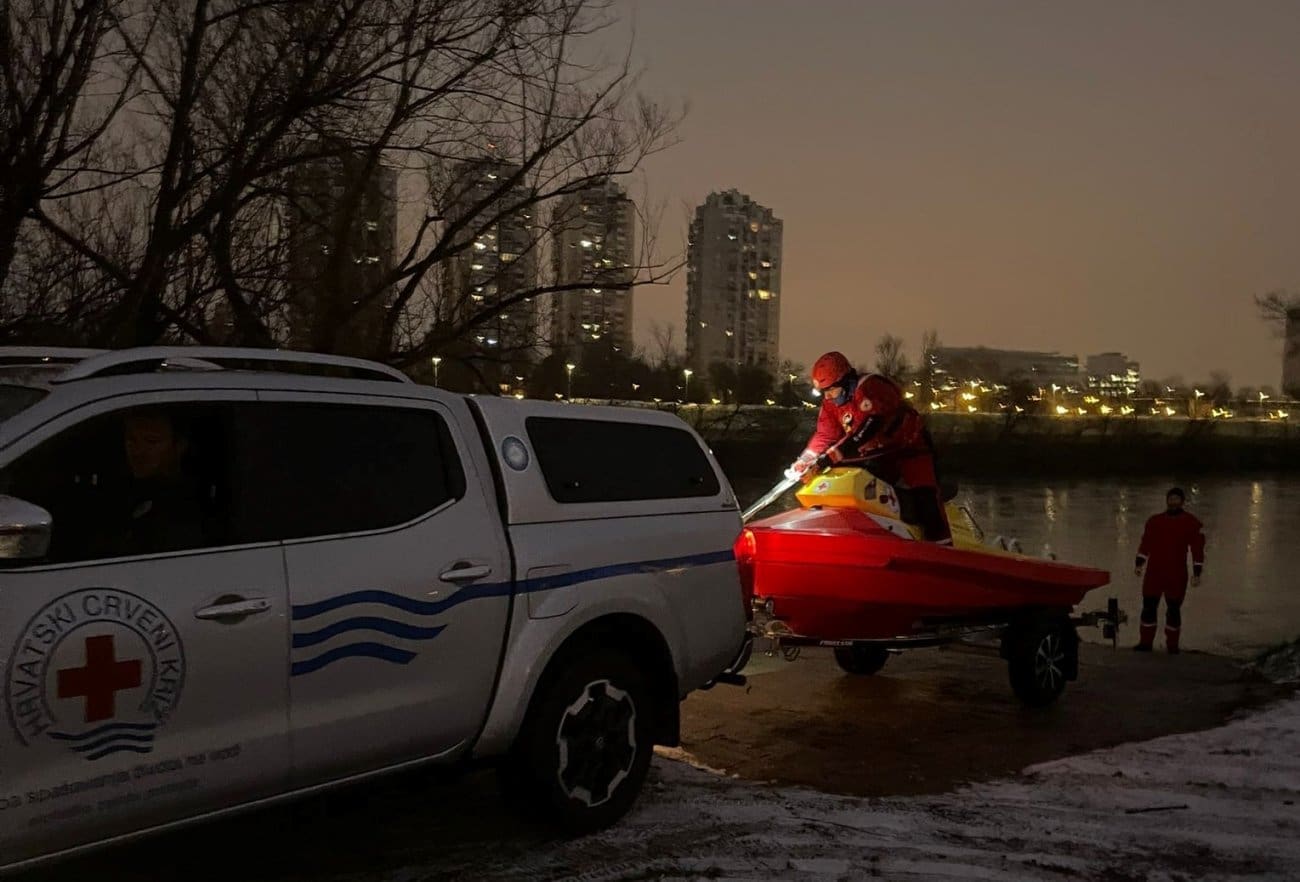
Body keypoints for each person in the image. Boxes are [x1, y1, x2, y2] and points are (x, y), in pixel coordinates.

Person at [788, 350, 951, 544]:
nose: (829, 396)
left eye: (831, 390)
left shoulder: (872, 388)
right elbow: (825, 434)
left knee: (926, 500)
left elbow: (870, 425)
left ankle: (942, 544)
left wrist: (830, 457)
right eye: (825, 392)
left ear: (845, 381)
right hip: (875, 456)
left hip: (909, 449)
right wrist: (804, 460)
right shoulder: (831, 404)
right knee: (856, 490)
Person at [119, 409, 207, 555]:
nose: (138, 451)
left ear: (179, 446)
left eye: (151, 441)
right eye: (131, 440)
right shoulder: (125, 493)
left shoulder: (183, 508)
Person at [1133, 487, 1206, 654]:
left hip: (1176, 574)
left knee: (1173, 610)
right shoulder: (1154, 521)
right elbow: (1146, 543)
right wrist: (1139, 563)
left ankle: (1172, 646)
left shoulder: (1190, 522)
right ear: (1167, 500)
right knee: (1149, 607)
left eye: (1176, 499)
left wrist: (1197, 572)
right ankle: (1145, 643)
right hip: (1154, 572)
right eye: (1171, 498)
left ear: (1182, 501)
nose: (1173, 502)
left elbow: (1197, 548)